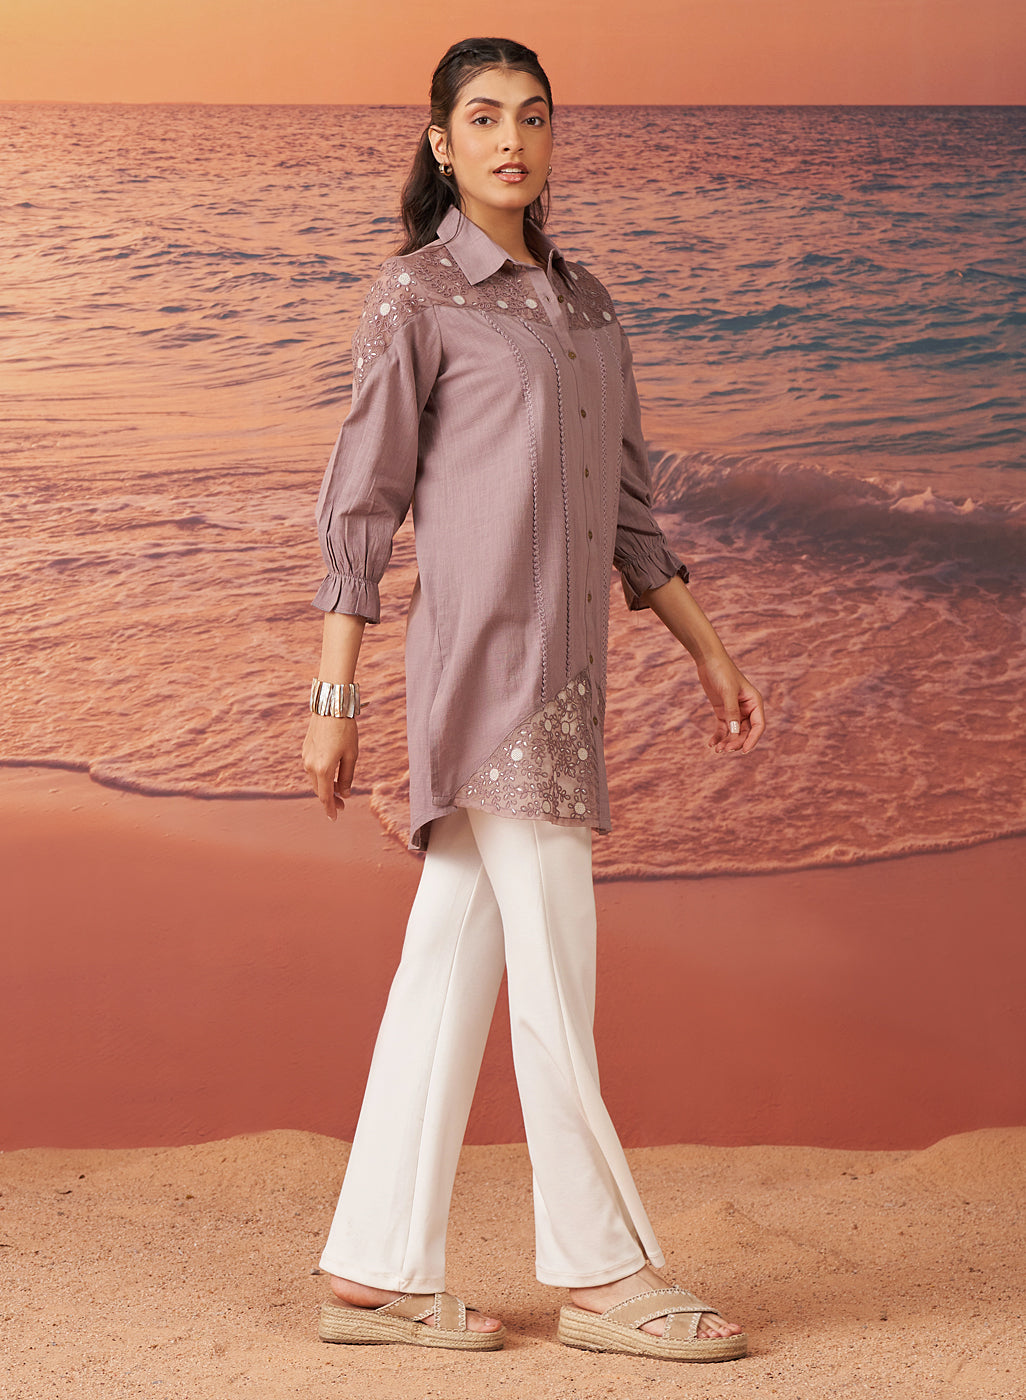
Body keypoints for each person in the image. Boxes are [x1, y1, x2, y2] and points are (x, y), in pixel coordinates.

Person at [302, 36, 764, 1363]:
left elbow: (629, 513)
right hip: (484, 680)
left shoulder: (588, 308)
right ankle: (604, 1272)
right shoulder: (415, 296)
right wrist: (333, 691)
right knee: (558, 971)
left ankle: (376, 1269)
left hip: (570, 678)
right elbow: (362, 504)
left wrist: (707, 645)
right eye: (485, 117)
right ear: (441, 142)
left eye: (535, 117)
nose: (512, 139)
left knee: (448, 962)